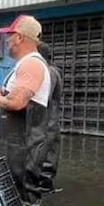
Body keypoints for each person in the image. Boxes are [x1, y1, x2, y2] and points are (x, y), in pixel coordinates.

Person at [0, 14, 53, 206]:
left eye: (10, 35)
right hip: (16, 148)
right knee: (15, 200)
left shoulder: (31, 64)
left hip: (23, 149)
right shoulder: (25, 64)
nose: (7, 40)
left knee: (24, 201)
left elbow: (16, 103)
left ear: (20, 37)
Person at [35, 41, 63, 193]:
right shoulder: (53, 71)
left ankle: (44, 185)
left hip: (47, 123)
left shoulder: (49, 72)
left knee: (46, 155)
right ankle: (45, 184)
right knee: (48, 153)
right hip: (50, 122)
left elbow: (43, 97)